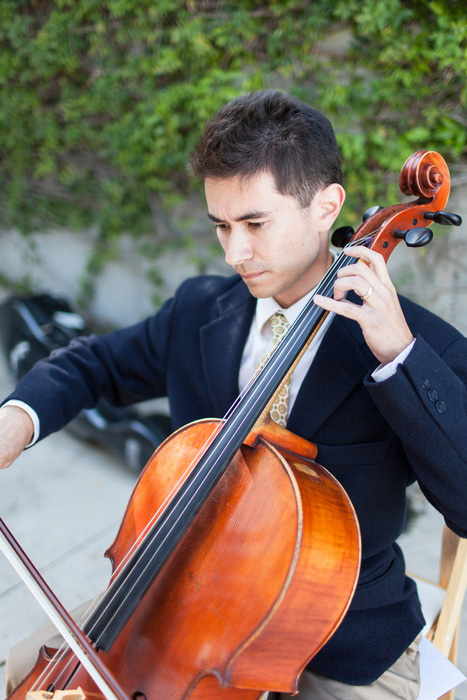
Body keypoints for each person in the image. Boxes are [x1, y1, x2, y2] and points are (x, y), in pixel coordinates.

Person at [1, 90, 467, 700]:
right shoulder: (202, 307)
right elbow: (94, 364)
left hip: (341, 638)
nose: (233, 252)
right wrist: (16, 420)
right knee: (21, 675)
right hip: (180, 605)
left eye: (254, 223)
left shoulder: (415, 343)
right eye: (220, 225)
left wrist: (398, 356)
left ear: (327, 206)